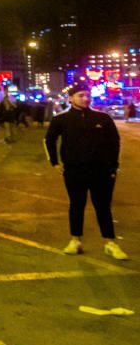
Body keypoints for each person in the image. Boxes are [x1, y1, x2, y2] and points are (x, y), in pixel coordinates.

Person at [44, 83, 128, 260]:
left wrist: (114, 166)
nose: (85, 98)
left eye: (88, 95)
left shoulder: (103, 118)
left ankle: (110, 243)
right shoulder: (61, 119)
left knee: (103, 207)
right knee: (76, 205)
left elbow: (115, 143)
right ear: (71, 98)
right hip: (74, 170)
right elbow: (49, 140)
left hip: (101, 171)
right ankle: (75, 240)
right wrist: (54, 162)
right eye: (81, 95)